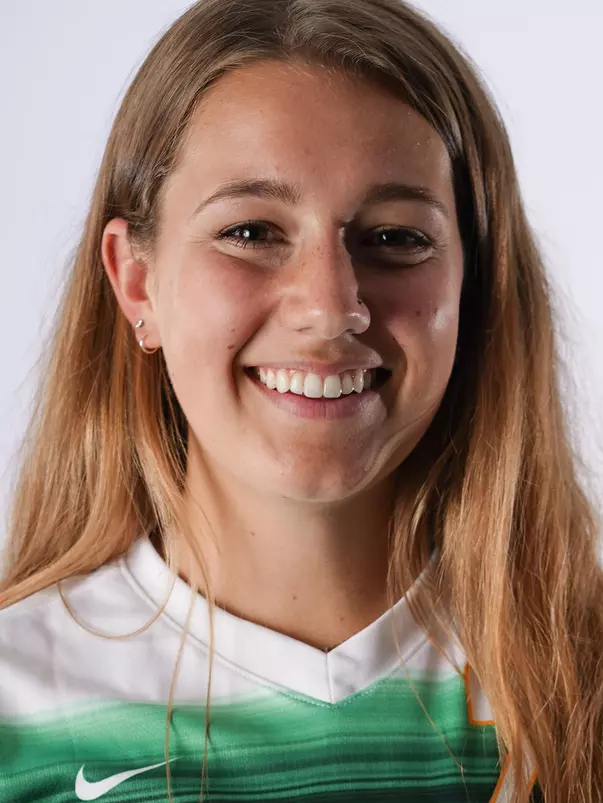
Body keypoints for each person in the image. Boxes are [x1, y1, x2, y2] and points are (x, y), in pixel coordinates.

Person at [0, 0, 601, 800]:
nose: (329, 306)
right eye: (250, 231)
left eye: (395, 237)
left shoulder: (581, 678)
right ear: (136, 280)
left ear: (475, 284)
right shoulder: (16, 710)